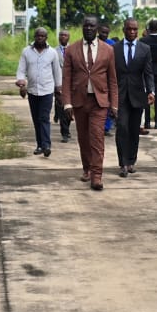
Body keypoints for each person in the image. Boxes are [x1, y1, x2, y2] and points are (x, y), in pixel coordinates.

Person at [60, 14, 118, 190]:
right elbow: (67, 78)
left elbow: (112, 80)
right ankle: (87, 168)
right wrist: (67, 103)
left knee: (97, 138)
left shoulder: (108, 50)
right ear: (82, 27)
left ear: (97, 28)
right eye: (86, 26)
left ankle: (97, 175)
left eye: (92, 26)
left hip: (99, 102)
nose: (89, 29)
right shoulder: (72, 50)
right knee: (83, 139)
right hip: (79, 101)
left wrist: (114, 104)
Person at [113, 18, 154, 176]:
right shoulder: (114, 49)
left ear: (138, 30)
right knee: (122, 127)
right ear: (123, 29)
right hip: (120, 95)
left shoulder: (145, 49)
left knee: (134, 129)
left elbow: (148, 72)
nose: (132, 32)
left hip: (138, 95)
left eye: (135, 29)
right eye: (129, 29)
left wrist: (151, 91)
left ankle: (131, 161)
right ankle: (122, 163)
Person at [15, 26, 62, 158]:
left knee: (44, 117)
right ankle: (39, 145)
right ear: (34, 36)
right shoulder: (26, 52)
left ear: (46, 38)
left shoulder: (52, 53)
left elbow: (57, 71)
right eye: (37, 35)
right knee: (36, 119)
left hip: (47, 90)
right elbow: (21, 69)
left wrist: (59, 88)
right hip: (32, 90)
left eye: (42, 36)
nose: (39, 38)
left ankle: (46, 145)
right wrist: (21, 82)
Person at [54, 29, 72, 142]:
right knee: (61, 107)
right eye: (61, 35)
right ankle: (64, 133)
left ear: (69, 37)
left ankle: (67, 127)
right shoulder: (53, 51)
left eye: (65, 35)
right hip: (59, 83)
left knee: (69, 107)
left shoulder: (74, 50)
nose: (63, 37)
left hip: (72, 84)